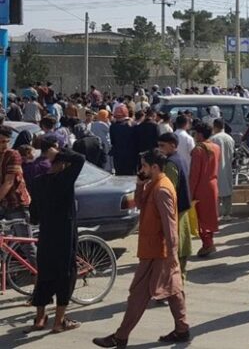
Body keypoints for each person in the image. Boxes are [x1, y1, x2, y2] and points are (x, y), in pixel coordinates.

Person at [93, 149, 189, 348]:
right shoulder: (153, 185)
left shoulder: (162, 189)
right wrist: (139, 183)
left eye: (144, 166)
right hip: (153, 250)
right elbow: (139, 202)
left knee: (138, 294)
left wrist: (172, 254)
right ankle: (182, 329)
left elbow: (170, 224)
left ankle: (121, 336)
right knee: (173, 290)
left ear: (155, 167)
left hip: (158, 252)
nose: (141, 169)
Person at [27, 149, 85, 334]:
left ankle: (39, 318)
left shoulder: (37, 182)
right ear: (61, 164)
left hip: (46, 236)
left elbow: (34, 216)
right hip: (65, 236)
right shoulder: (64, 180)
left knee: (44, 276)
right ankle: (59, 321)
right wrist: (59, 152)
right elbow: (80, 158)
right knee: (65, 275)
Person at [157, 133, 193, 279]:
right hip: (181, 210)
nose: (160, 149)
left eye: (162, 146)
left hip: (175, 212)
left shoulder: (171, 164)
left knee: (174, 251)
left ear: (172, 145)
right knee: (181, 249)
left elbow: (169, 192)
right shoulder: (180, 159)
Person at [0, 126, 35, 267]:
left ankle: (43, 277)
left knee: (27, 245)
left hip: (17, 205)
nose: (4, 145)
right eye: (1, 142)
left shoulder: (13, 155)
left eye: (5, 141)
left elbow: (8, 182)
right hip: (4, 204)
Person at [189, 122, 221, 257]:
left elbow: (194, 174)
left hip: (201, 187)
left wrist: (189, 193)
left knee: (200, 217)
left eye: (195, 133)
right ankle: (209, 242)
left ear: (200, 134)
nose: (194, 136)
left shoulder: (198, 150)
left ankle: (207, 244)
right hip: (213, 184)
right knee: (210, 215)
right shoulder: (216, 147)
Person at [209, 118, 235, 221]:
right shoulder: (229, 138)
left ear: (214, 127)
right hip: (227, 166)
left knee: (216, 192)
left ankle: (216, 213)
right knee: (227, 190)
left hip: (216, 168)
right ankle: (227, 214)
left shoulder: (213, 139)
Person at [110, 105, 136, 175]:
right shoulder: (133, 125)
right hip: (131, 156)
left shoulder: (113, 126)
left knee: (119, 176)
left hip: (118, 156)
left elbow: (112, 141)